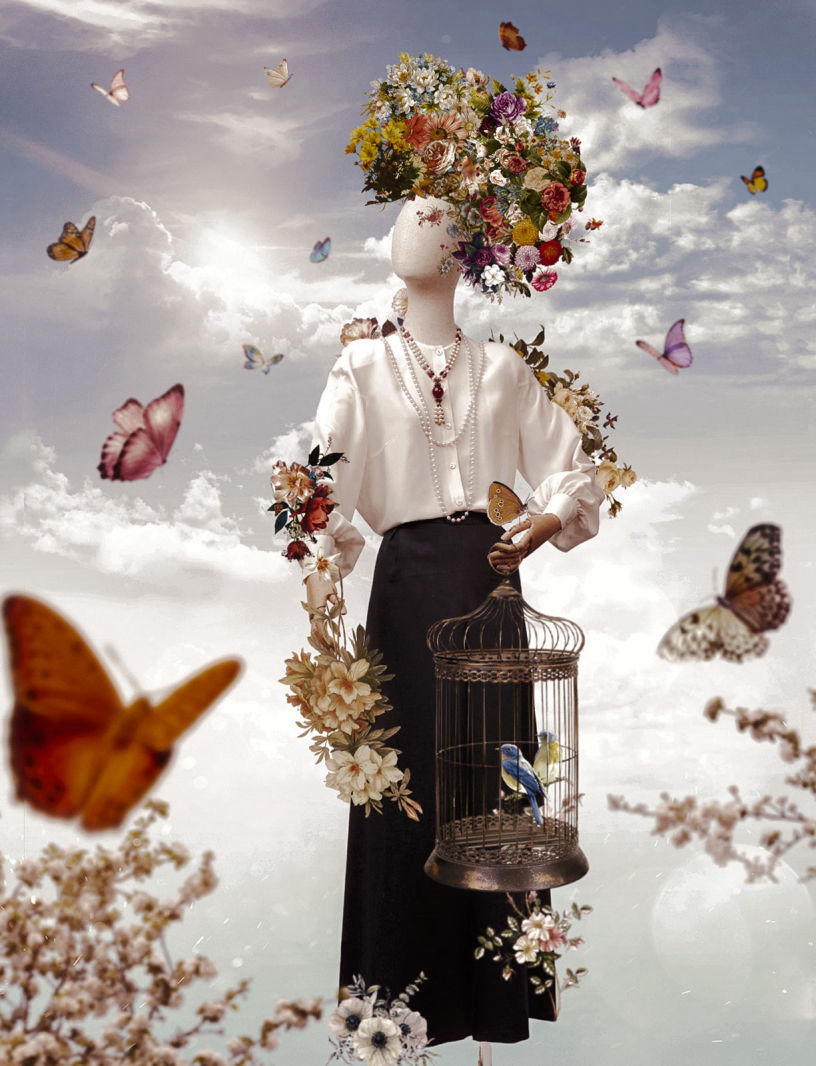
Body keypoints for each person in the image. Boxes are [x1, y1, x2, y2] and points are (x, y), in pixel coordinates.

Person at [304, 196, 603, 1057]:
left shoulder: (503, 367)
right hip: (401, 598)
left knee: (493, 783)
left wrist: (545, 522)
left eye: (437, 220)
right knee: (401, 792)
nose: (416, 231)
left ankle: (492, 1006)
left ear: (466, 249)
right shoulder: (359, 368)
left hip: (490, 589)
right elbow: (324, 496)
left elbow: (572, 468)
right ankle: (397, 1011)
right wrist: (321, 586)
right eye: (404, 218)